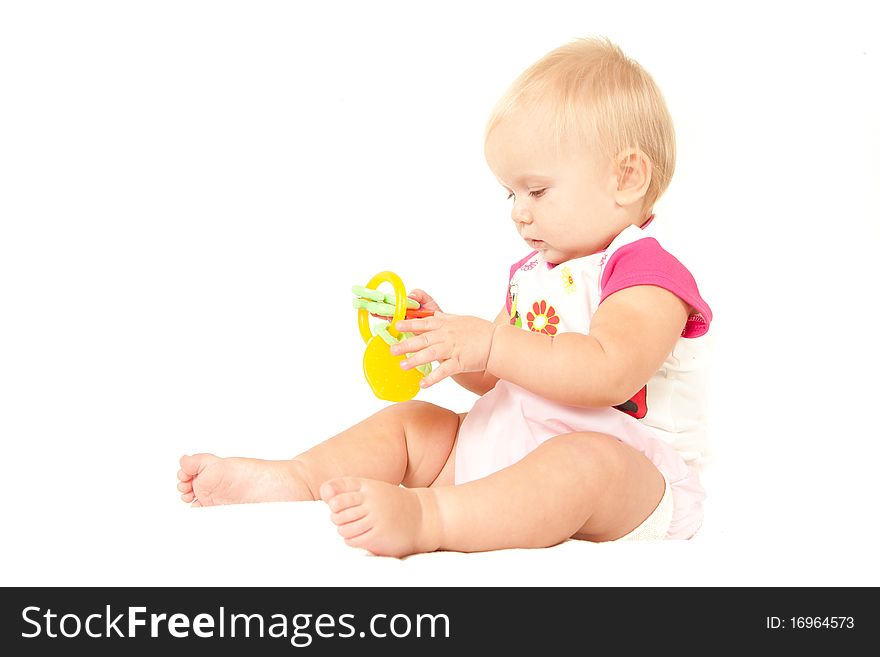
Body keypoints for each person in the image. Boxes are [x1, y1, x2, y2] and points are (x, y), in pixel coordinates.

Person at [176, 37, 712, 557]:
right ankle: (294, 477)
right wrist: (448, 341)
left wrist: (489, 343)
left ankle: (432, 517)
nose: (518, 212)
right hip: (513, 450)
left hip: (630, 476)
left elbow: (606, 372)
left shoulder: (646, 273)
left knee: (586, 463)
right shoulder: (536, 273)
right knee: (415, 422)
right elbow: (496, 376)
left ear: (627, 177)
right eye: (511, 193)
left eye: (538, 190)